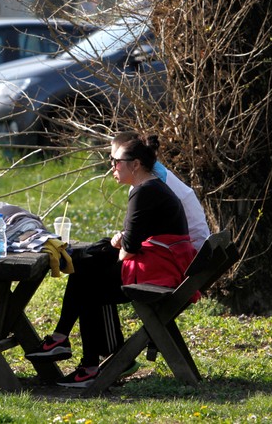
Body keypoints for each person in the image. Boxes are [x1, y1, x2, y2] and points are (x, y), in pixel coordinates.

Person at [29, 132, 197, 388]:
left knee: (86, 280)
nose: (111, 167)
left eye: (115, 161)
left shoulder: (143, 191)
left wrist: (121, 244)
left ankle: (84, 362)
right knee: (89, 261)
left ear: (135, 164)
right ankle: (68, 344)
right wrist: (120, 242)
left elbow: (127, 251)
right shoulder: (151, 186)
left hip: (159, 272)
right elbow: (135, 238)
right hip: (163, 262)